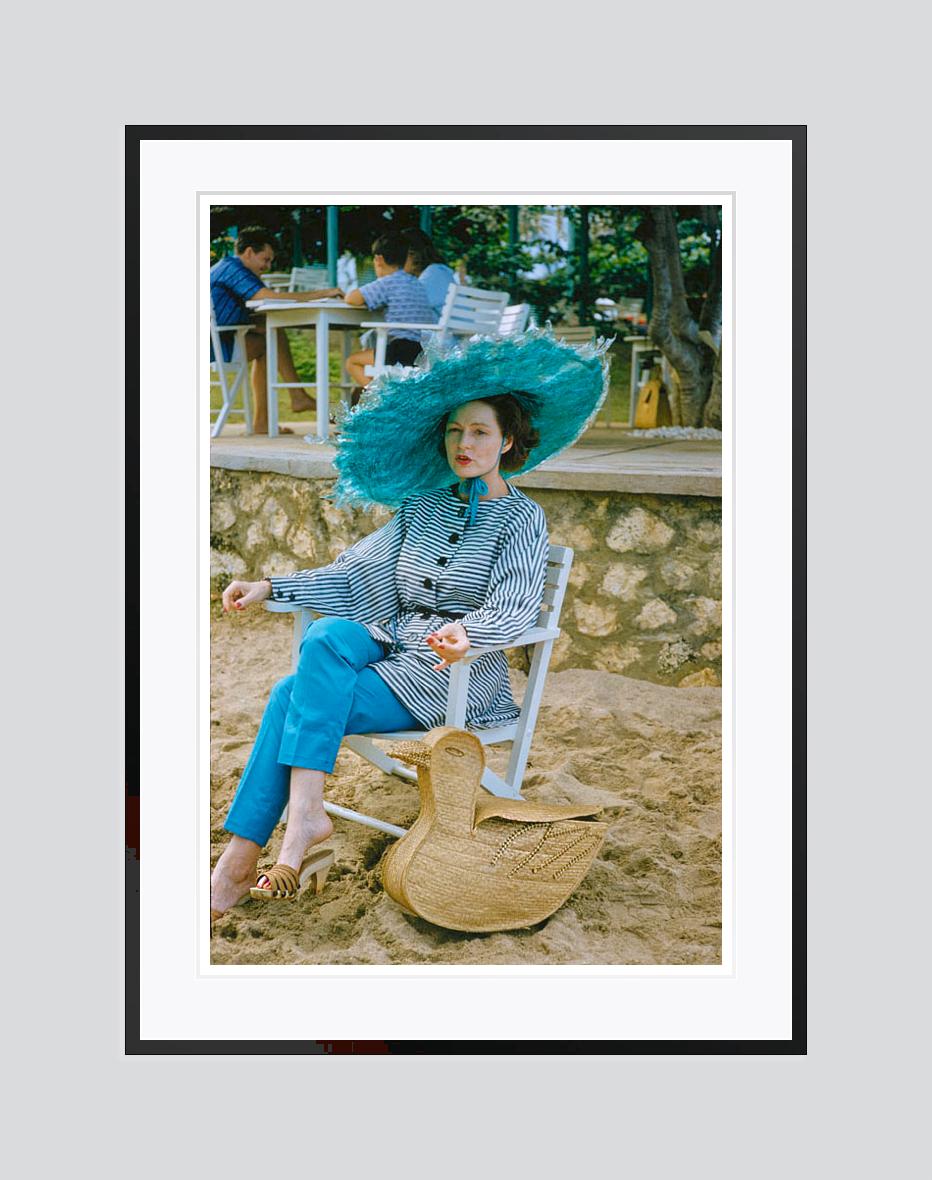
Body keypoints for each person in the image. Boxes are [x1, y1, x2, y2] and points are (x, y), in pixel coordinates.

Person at [209, 331, 609, 924]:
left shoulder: (523, 518)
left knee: (290, 696)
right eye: (454, 431)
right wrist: (271, 587)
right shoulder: (422, 507)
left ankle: (242, 860)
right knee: (323, 637)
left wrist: (471, 633)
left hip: (454, 675)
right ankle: (303, 822)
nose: (464, 443)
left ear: (509, 442)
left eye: (479, 432)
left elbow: (519, 602)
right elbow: (354, 576)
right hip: (391, 644)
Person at [210, 226, 344, 434]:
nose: (268, 265)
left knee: (271, 333)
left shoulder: (231, 267)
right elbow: (268, 297)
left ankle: (277, 412)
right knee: (272, 336)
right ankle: (297, 397)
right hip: (214, 346)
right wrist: (322, 294)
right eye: (265, 259)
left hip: (218, 339)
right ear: (249, 253)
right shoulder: (233, 268)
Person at [343, 230, 436, 392]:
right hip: (422, 351)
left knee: (352, 362)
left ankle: (380, 400)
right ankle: (384, 395)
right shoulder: (417, 283)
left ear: (378, 259)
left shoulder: (388, 282)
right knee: (372, 363)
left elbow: (352, 299)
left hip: (401, 350)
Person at [402, 227, 457, 316]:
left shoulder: (433, 274)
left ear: (413, 254)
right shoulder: (438, 271)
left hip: (450, 329)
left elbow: (403, 305)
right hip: (454, 328)